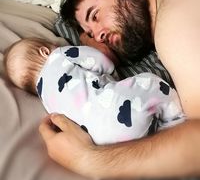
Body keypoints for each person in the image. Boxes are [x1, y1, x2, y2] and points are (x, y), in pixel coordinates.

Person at [39, 0, 200, 179]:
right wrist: (98, 53)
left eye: (95, 16)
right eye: (92, 34)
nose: (99, 36)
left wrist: (88, 160)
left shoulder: (175, 15)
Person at [4, 37, 184, 145]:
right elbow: (97, 58)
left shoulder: (46, 100)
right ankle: (177, 118)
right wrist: (111, 72)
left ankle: (157, 130)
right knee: (149, 82)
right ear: (44, 51)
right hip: (121, 111)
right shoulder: (59, 55)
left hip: (106, 142)